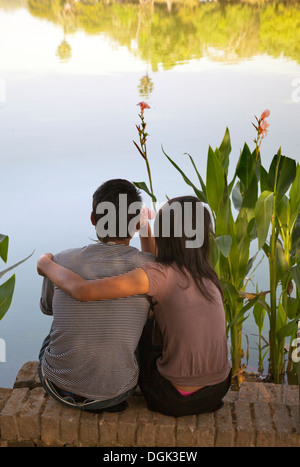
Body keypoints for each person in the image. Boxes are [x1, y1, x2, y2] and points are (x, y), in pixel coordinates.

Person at [37, 196, 232, 417]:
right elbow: (151, 262)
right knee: (150, 311)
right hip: (217, 390)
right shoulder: (208, 275)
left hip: (172, 398)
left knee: (142, 319)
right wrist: (145, 225)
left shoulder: (159, 276)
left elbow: (82, 291)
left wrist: (45, 263)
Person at [38, 179, 155, 413]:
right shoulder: (150, 269)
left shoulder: (61, 260)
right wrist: (144, 227)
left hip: (56, 386)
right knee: (148, 317)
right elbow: (154, 264)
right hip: (115, 393)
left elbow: (47, 308)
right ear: (135, 225)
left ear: (93, 219)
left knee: (57, 326)